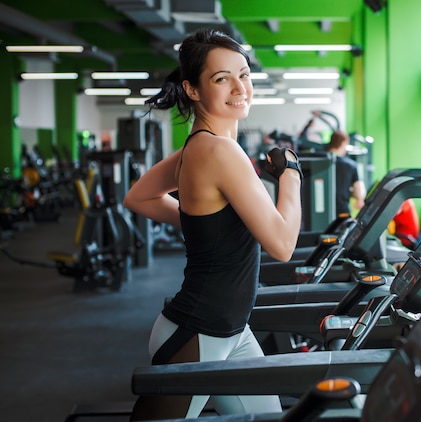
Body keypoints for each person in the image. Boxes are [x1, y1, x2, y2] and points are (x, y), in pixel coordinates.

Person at [122, 28, 302, 420]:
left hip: (231, 330)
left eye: (244, 74)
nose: (240, 87)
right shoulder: (220, 151)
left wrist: (205, 230)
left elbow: (138, 197)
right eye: (222, 78)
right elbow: (282, 244)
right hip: (198, 333)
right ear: (192, 89)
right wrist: (291, 173)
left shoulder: (198, 145)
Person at [325, 130, 366, 216]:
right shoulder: (350, 165)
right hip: (342, 212)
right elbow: (360, 193)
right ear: (343, 143)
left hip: (321, 212)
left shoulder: (319, 162)